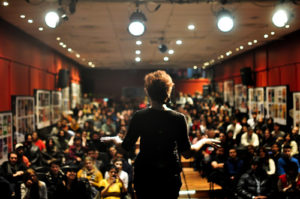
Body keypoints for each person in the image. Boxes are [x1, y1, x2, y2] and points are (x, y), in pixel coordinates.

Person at [121, 70, 219, 199]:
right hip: (169, 175)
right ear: (168, 91)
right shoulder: (178, 118)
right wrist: (203, 141)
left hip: (145, 175)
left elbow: (125, 148)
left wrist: (116, 141)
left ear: (147, 92)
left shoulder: (139, 117)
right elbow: (187, 153)